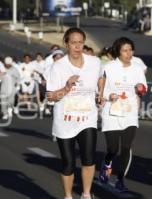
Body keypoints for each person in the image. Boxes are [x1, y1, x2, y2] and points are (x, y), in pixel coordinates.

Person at [47, 27, 103, 199]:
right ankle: (68, 196)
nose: (77, 46)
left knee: (88, 159)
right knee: (68, 164)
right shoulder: (58, 67)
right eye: (73, 43)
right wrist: (66, 87)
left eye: (80, 42)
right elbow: (51, 96)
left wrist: (100, 92)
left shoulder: (94, 62)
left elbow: (102, 76)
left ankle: (86, 194)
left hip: (87, 118)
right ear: (66, 44)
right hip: (65, 121)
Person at [99, 37, 147, 192]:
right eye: (125, 50)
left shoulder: (137, 68)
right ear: (118, 52)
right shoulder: (109, 67)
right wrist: (108, 95)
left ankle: (120, 180)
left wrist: (140, 88)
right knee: (113, 148)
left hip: (130, 112)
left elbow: (143, 87)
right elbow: (100, 87)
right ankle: (107, 163)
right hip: (111, 111)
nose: (129, 53)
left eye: (130, 50)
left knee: (126, 147)